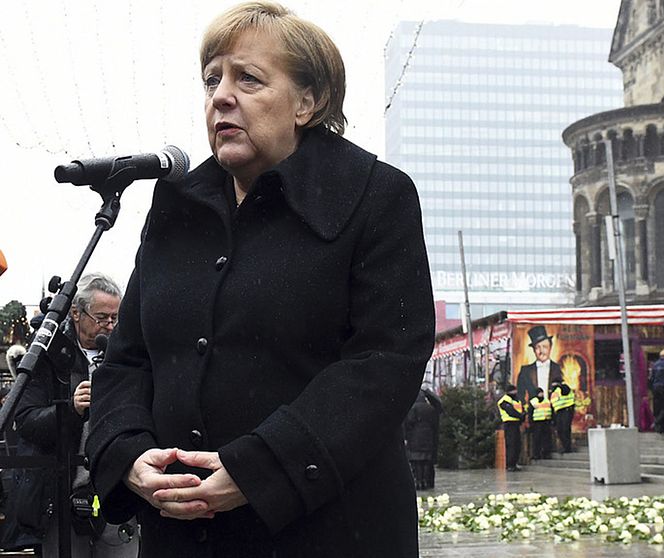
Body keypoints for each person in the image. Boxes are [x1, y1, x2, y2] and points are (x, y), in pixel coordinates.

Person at [84, 3, 435, 557]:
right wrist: (126, 453)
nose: (220, 95)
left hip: (330, 533)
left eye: (248, 78)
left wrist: (260, 470)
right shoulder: (176, 205)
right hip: (180, 535)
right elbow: (128, 358)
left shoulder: (375, 195)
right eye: (211, 80)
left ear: (308, 102)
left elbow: (385, 362)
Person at [14, 273, 139, 557]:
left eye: (115, 318)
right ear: (76, 313)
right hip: (60, 499)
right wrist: (70, 409)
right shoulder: (47, 357)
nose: (110, 325)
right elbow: (25, 422)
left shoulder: (127, 356)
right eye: (102, 317)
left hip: (117, 493)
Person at [403, 387, 442, 490]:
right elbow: (436, 422)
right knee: (426, 460)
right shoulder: (431, 409)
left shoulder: (412, 408)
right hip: (428, 438)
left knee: (417, 462)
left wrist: (406, 436)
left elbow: (408, 424)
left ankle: (418, 482)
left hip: (415, 439)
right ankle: (426, 482)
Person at [516, 325, 563, 405]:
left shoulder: (559, 369)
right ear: (534, 350)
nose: (541, 351)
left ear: (550, 347)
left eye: (544, 347)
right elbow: (520, 395)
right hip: (534, 414)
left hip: (555, 414)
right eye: (538, 347)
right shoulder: (525, 371)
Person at [497, 385, 525, 471]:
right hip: (509, 424)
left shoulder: (517, 400)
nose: (515, 392)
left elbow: (522, 409)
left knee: (517, 445)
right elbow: (511, 411)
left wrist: (523, 416)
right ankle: (510, 465)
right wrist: (521, 416)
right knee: (511, 444)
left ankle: (514, 464)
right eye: (513, 391)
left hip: (516, 424)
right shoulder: (504, 400)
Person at [549, 380, 575, 453]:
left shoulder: (563, 388)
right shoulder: (553, 393)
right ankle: (565, 446)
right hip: (558, 412)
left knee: (565, 429)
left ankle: (567, 447)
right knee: (560, 430)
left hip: (566, 410)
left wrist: (561, 385)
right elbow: (553, 405)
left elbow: (565, 390)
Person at [528, 388, 553, 460]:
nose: (541, 394)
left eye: (542, 393)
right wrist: (531, 423)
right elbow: (530, 413)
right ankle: (536, 454)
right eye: (540, 393)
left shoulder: (547, 401)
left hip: (546, 422)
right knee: (536, 439)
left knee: (546, 439)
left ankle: (546, 453)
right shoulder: (533, 402)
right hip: (537, 423)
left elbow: (551, 410)